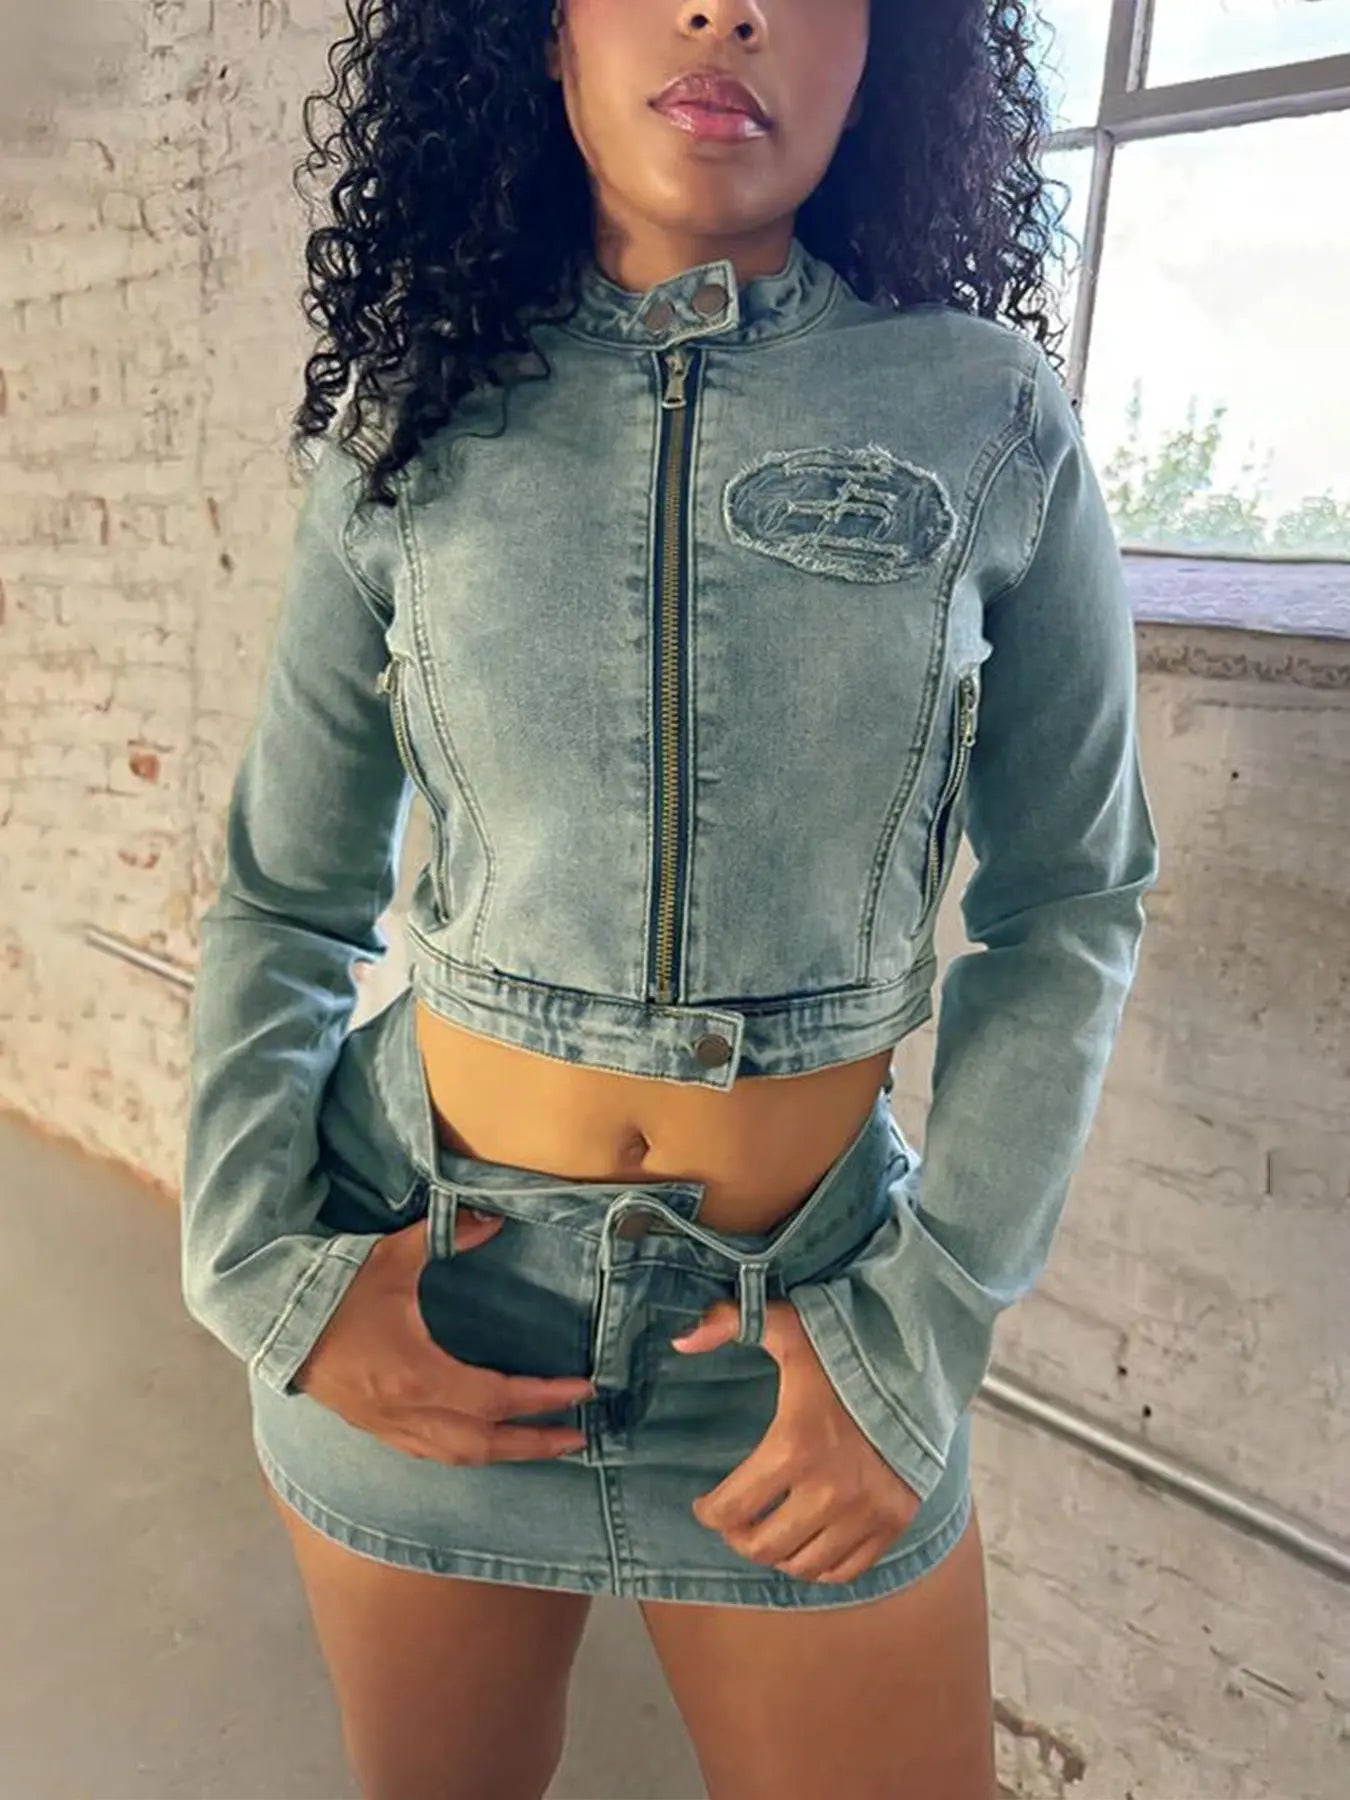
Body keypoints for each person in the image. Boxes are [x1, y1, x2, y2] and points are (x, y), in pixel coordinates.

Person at [179, 2, 1161, 1795]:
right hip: (431, 1291)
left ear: (886, 55)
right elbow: (286, 898)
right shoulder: (413, 410)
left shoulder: (983, 415)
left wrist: (920, 1331)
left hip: (811, 1338)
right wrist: (263, 1268)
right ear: (542, 37)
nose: (727, 11)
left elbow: (1071, 903)